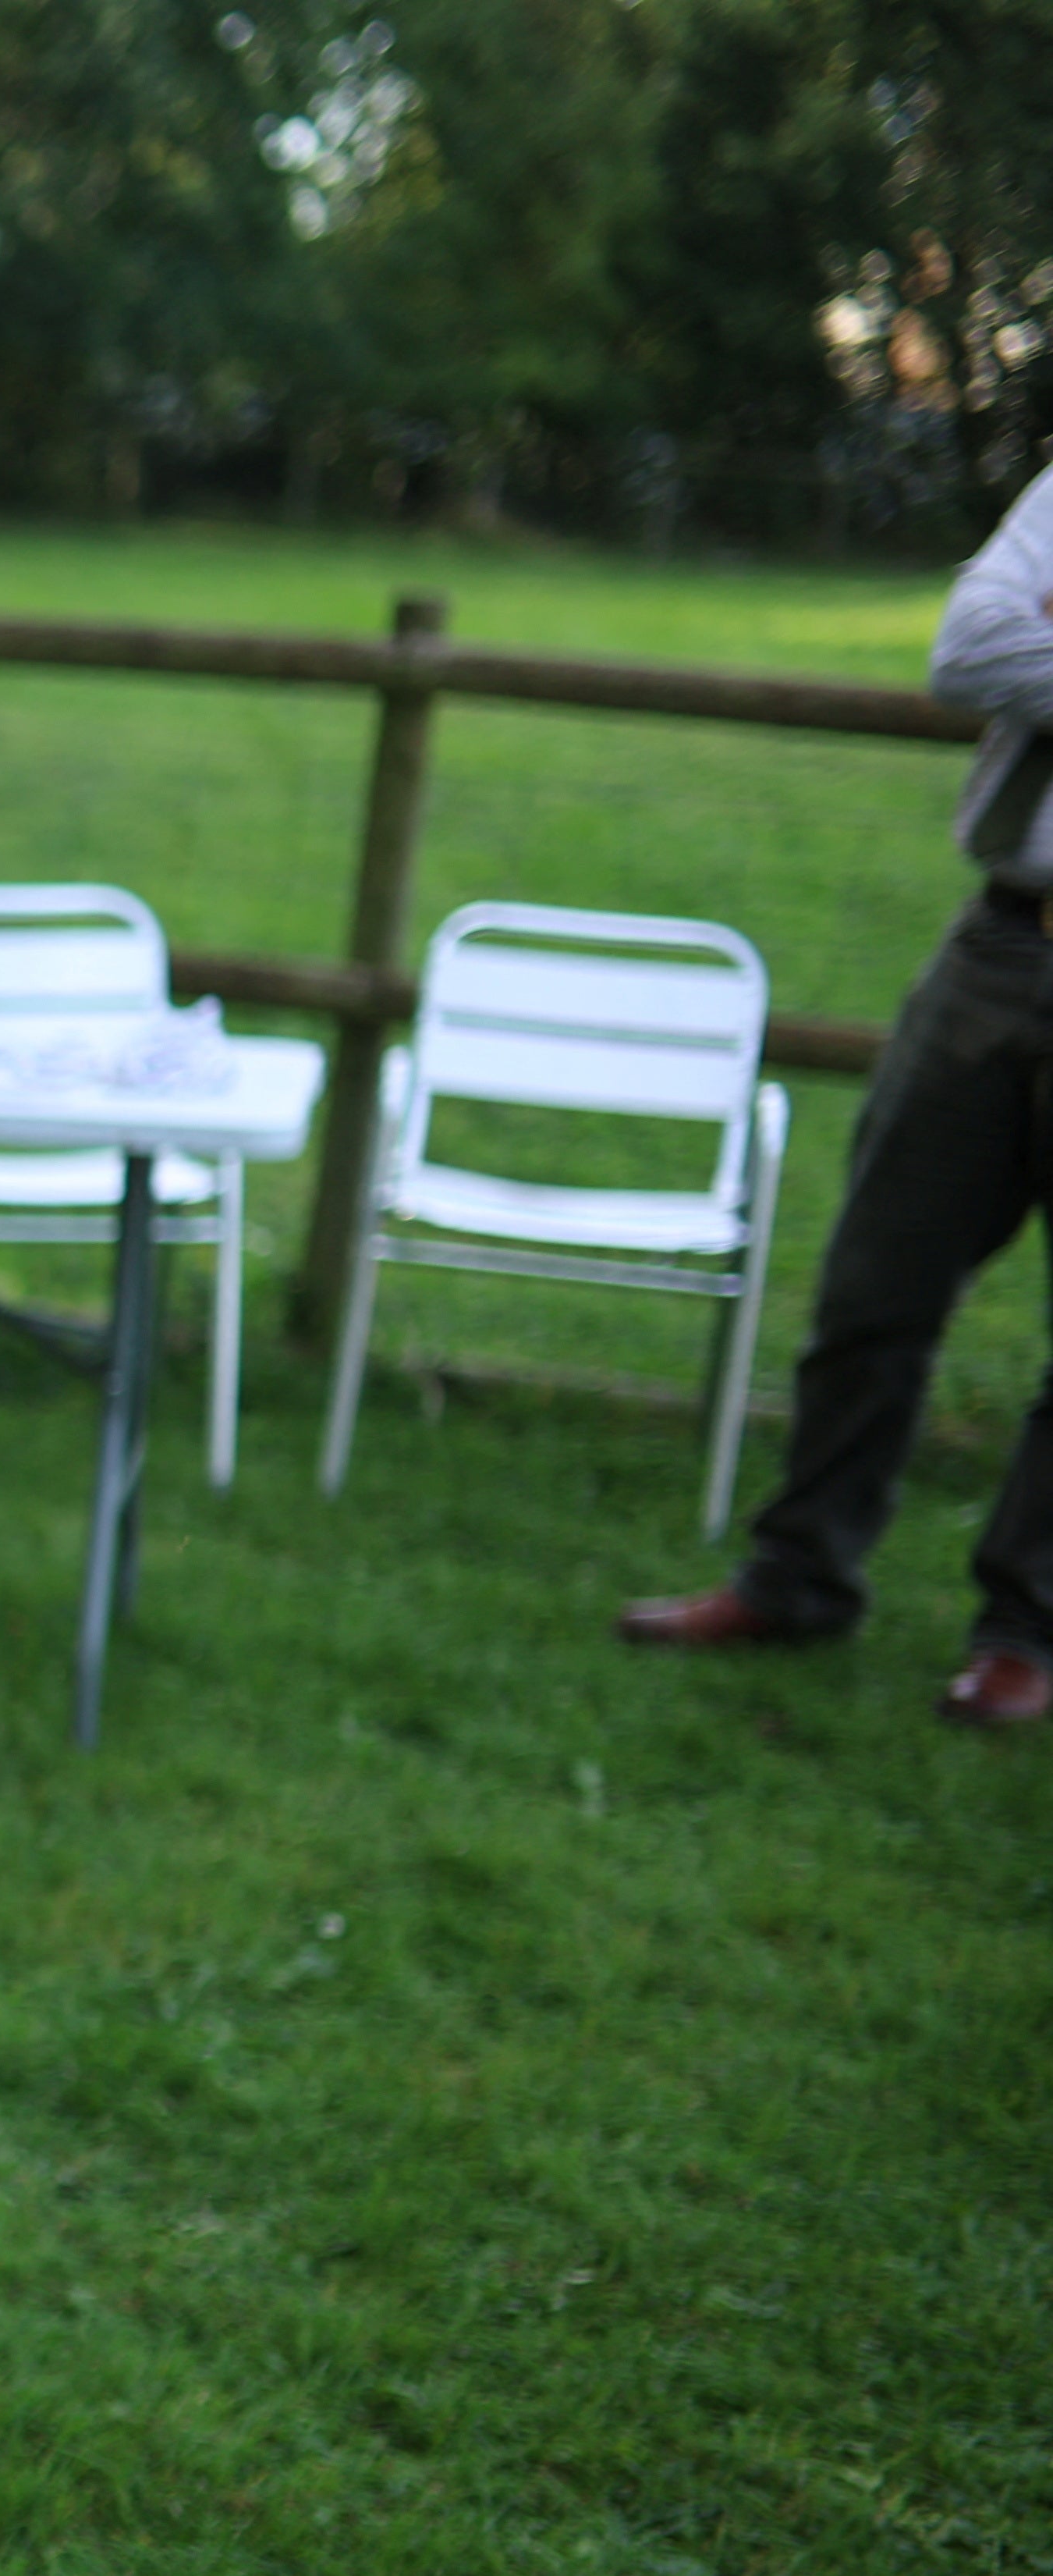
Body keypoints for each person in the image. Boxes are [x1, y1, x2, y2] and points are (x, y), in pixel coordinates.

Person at [614, 467, 1053, 1729]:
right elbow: (969, 651)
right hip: (1001, 946)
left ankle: (1026, 1630)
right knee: (875, 1281)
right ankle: (797, 1576)